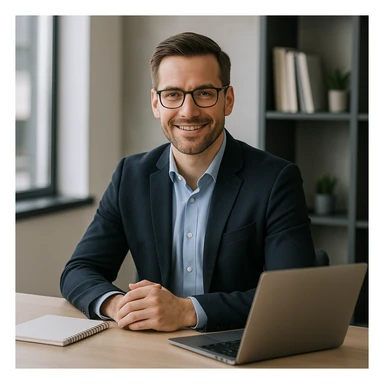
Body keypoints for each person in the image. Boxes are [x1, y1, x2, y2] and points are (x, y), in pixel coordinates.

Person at [60, 31, 315, 333]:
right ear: (156, 103)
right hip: (154, 349)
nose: (188, 111)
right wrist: (120, 305)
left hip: (240, 345)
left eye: (204, 93)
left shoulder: (275, 180)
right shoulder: (131, 175)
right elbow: (78, 271)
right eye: (172, 94)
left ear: (227, 100)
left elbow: (292, 297)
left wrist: (186, 311)